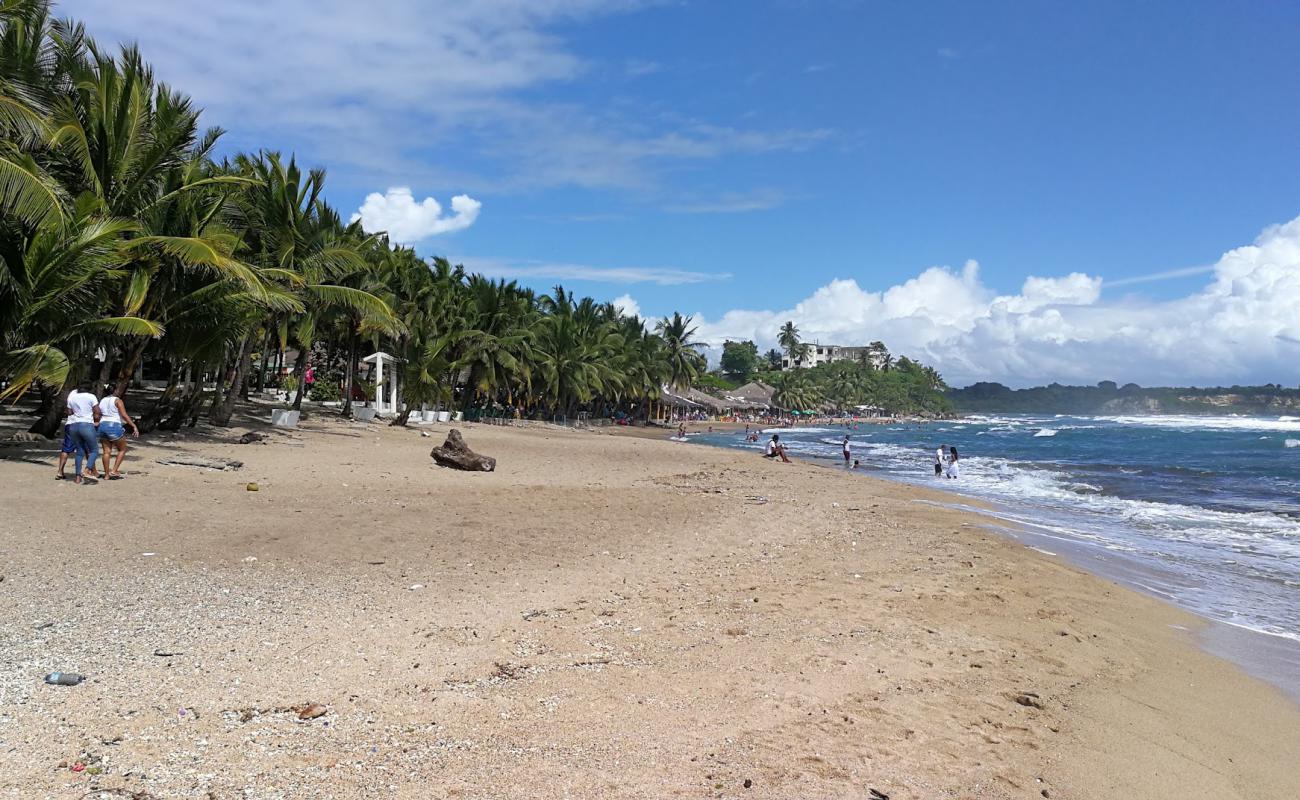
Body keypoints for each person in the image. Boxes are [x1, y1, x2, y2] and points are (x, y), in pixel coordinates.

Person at [97, 385, 138, 479]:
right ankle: (114, 470)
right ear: (115, 390)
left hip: (102, 425)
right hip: (114, 425)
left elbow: (98, 414)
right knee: (122, 449)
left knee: (106, 451)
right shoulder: (117, 400)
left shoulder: (102, 400)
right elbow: (124, 415)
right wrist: (133, 425)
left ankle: (106, 475)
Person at [65, 382, 101, 484]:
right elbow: (97, 411)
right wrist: (97, 420)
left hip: (74, 425)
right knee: (94, 450)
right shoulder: (91, 396)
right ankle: (87, 470)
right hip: (86, 425)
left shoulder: (72, 397)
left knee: (79, 452)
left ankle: (77, 477)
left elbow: (69, 412)